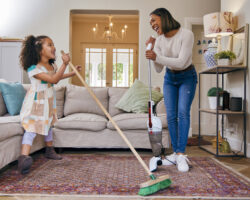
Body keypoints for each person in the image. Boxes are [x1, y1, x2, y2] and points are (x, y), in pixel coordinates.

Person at [18, 35, 81, 174]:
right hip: (36, 102)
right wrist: (65, 64)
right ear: (39, 49)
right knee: (32, 128)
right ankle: (24, 158)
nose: (54, 47)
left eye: (53, 44)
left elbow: (56, 75)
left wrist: (71, 72)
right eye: (49, 44)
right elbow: (53, 80)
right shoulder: (33, 68)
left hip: (48, 100)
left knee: (49, 124)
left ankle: (49, 150)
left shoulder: (51, 65)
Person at [145, 8, 197, 172]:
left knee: (182, 112)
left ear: (164, 17)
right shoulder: (159, 40)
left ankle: (181, 154)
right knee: (171, 116)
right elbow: (160, 68)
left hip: (187, 76)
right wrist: (153, 52)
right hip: (170, 78)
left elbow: (181, 62)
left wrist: (156, 57)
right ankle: (175, 153)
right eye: (150, 22)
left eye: (154, 20)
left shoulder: (186, 34)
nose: (152, 24)